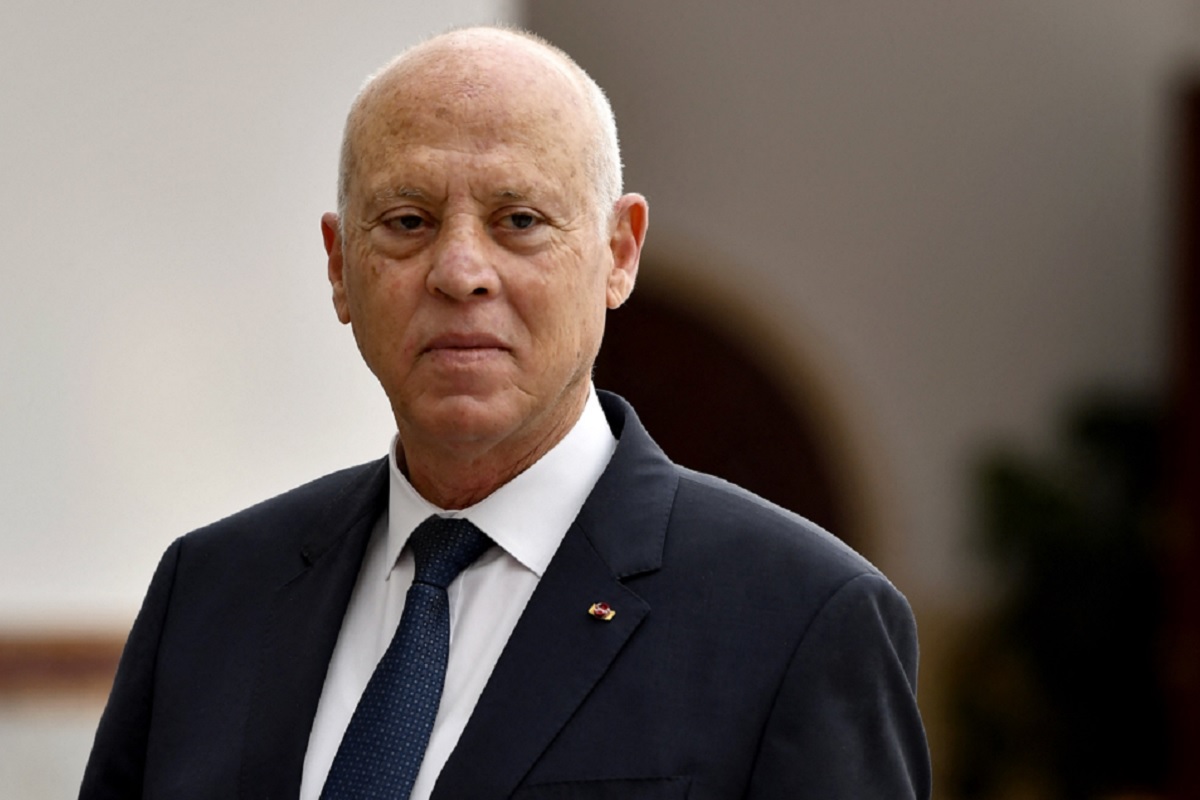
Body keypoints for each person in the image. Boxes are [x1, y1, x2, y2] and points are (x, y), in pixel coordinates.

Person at [80, 26, 930, 799]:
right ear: (339, 266)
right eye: (407, 221)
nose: (459, 272)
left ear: (619, 253)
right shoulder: (212, 593)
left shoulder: (798, 619)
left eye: (519, 220)